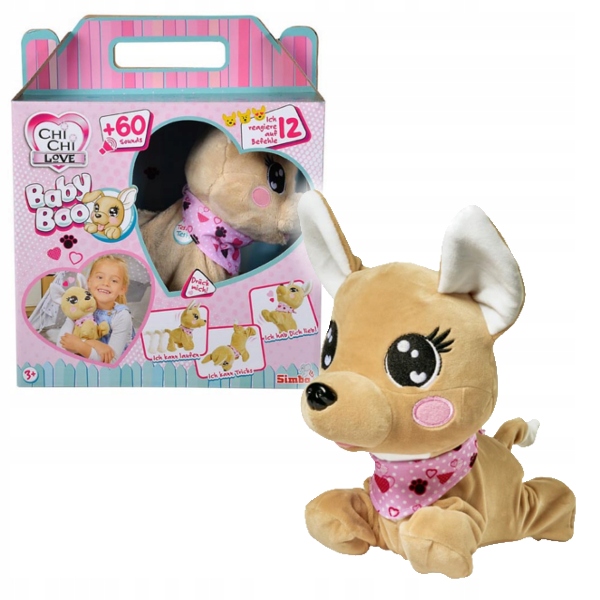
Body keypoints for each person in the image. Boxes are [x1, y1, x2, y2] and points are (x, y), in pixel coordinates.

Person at [59, 254, 133, 363]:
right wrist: (91, 343)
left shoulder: (121, 316)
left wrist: (80, 346)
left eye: (114, 281)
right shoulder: (79, 307)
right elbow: (61, 344)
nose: (105, 283)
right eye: (100, 277)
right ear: (89, 281)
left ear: (122, 289)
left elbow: (112, 362)